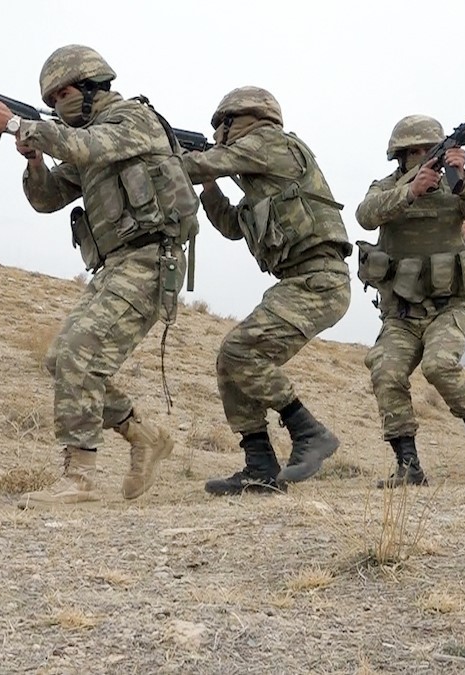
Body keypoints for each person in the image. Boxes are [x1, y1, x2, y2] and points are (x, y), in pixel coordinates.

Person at [0, 45, 200, 507]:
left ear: (89, 86)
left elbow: (88, 146)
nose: (56, 105)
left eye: (61, 95)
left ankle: (79, 478)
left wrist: (20, 124)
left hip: (149, 263)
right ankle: (144, 436)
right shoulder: (86, 139)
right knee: (63, 359)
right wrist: (33, 159)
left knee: (80, 352)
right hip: (115, 266)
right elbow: (47, 199)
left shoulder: (131, 120)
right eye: (51, 99)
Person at [180, 87, 353, 495]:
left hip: (319, 279)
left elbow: (198, 163)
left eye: (223, 128)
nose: (221, 136)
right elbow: (228, 225)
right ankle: (259, 466)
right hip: (301, 282)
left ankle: (308, 432)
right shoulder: (261, 183)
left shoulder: (271, 143)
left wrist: (169, 157)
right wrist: (209, 186)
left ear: (234, 122)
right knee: (231, 360)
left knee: (242, 351)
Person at [355, 115, 465, 488]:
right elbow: (365, 216)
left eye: (427, 150)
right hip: (402, 312)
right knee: (385, 372)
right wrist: (410, 192)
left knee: (439, 364)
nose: (421, 157)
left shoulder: (456, 188)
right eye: (412, 152)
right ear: (399, 157)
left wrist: (462, 177)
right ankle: (408, 465)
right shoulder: (388, 188)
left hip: (450, 305)